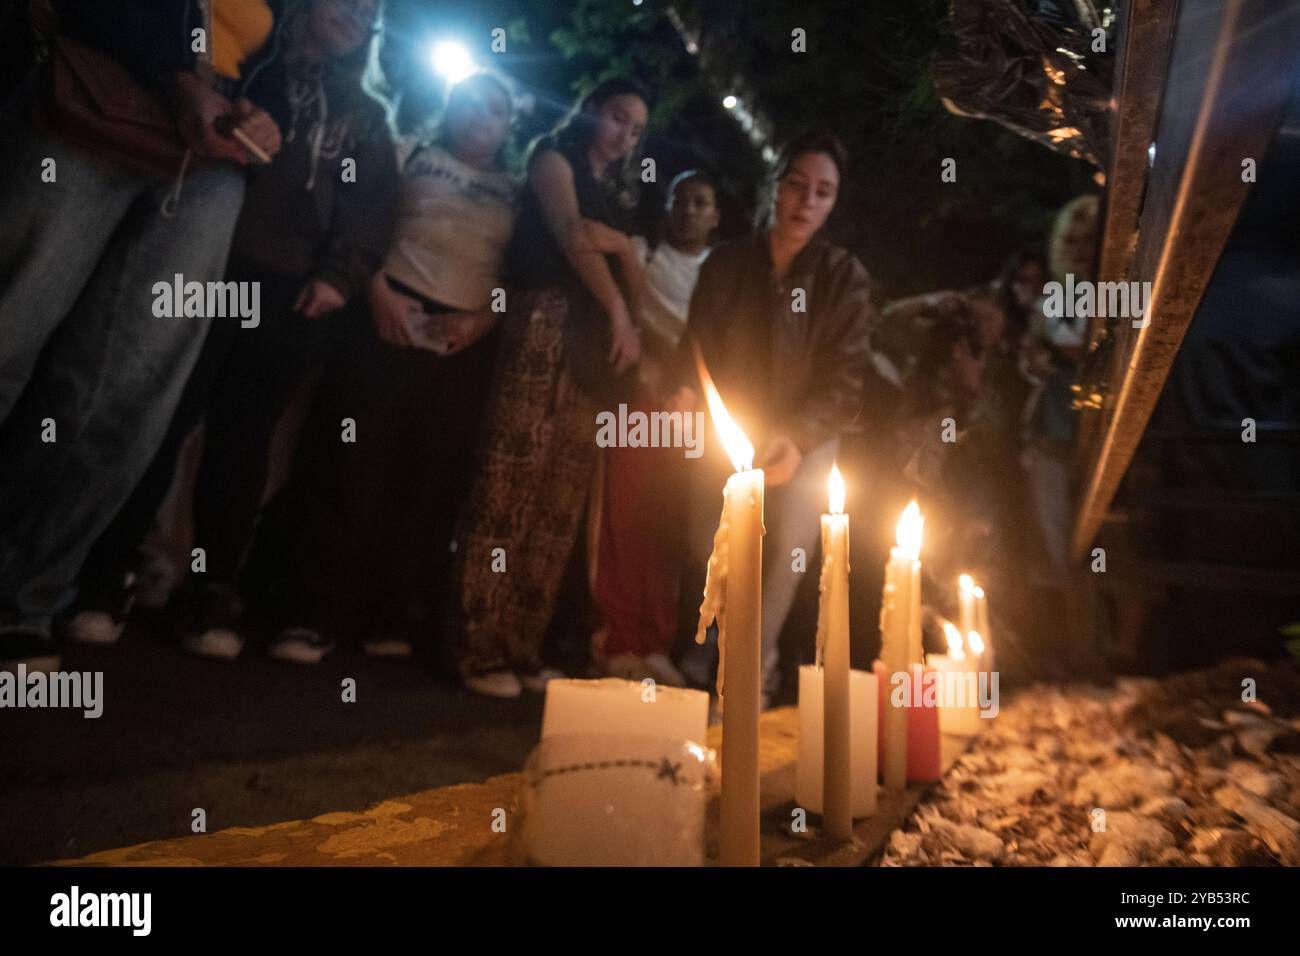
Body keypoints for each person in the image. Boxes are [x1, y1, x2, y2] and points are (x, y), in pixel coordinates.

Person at [66, 0, 397, 662]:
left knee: (242, 444)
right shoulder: (247, 69)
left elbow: (371, 207)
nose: (358, 15)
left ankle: (212, 590)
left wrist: (337, 274)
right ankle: (106, 574)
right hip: (207, 266)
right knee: (158, 421)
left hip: (290, 292)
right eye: (348, 0)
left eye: (371, 11)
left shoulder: (364, 117)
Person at [0, 0, 284, 671]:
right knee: (9, 330)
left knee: (123, 398)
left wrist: (266, 122)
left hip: (210, 162)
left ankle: (19, 600)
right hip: (94, 98)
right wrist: (176, 75)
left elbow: (272, 63)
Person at [270, 70, 519, 660]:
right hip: (385, 314)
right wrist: (376, 290)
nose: (478, 118)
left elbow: (518, 280)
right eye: (468, 104)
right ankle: (308, 613)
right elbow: (364, 222)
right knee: (349, 464)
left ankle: (385, 616)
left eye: (494, 111)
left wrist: (482, 321)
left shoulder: (517, 190)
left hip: (463, 339)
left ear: (509, 126)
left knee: (426, 478)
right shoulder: (410, 154)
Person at [445, 77, 651, 699]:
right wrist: (616, 307)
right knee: (510, 478)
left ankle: (523, 644)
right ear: (590, 109)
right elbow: (567, 235)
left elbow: (634, 284)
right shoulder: (551, 158)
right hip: (544, 323)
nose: (624, 135)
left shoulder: (617, 198)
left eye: (636, 129)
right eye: (617, 117)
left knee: (559, 501)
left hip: (596, 355)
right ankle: (475, 643)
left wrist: (622, 251)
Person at [673, 130, 875, 704]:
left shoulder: (843, 278)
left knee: (785, 549)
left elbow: (846, 379)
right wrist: (685, 390)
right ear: (776, 186)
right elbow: (696, 344)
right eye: (797, 185)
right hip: (731, 429)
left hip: (804, 440)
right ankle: (701, 651)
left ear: (834, 203)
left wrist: (798, 434)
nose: (806, 202)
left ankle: (748, 675)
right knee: (707, 539)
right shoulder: (727, 263)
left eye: (823, 192)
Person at [593, 170, 720, 686]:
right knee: (623, 520)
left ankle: (655, 642)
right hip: (639, 405)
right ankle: (615, 638)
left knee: (667, 529)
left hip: (692, 412)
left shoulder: (723, 270)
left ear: (716, 215)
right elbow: (637, 312)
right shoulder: (643, 254)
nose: (689, 210)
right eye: (680, 200)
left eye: (701, 201)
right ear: (667, 207)